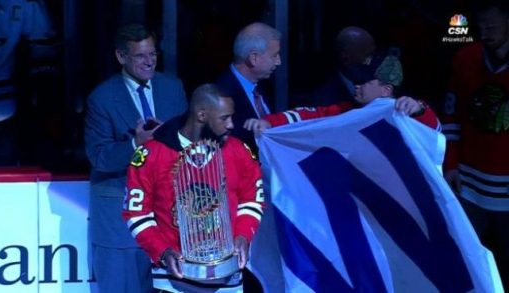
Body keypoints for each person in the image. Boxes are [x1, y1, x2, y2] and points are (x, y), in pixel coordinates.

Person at [122, 83, 264, 292]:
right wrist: (162, 251)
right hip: (172, 280)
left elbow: (252, 199)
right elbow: (136, 213)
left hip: (228, 278)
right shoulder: (151, 155)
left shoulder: (239, 151)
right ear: (201, 115)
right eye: (224, 118)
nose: (232, 124)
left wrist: (243, 235)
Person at [84, 23, 188, 293]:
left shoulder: (172, 88)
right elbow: (99, 156)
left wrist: (171, 136)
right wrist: (135, 143)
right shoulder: (102, 98)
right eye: (141, 56)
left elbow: (190, 143)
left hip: (168, 216)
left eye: (153, 54)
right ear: (121, 57)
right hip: (120, 219)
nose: (149, 61)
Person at [442, 1, 509, 289]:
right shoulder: (465, 58)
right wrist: (451, 163)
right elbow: (452, 116)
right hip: (471, 182)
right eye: (481, 26)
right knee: (469, 259)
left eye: (492, 25)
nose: (486, 32)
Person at [244, 52, 439, 133]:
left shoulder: (405, 112)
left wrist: (420, 109)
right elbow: (309, 115)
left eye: (363, 82)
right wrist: (270, 122)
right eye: (356, 80)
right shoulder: (348, 109)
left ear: (386, 90)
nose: (356, 85)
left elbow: (435, 135)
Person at [0, 0, 56, 165]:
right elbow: (43, 53)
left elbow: (43, 60)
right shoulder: (27, 4)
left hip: (3, 107)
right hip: (3, 106)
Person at [215, 22, 281, 151]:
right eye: (274, 55)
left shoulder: (264, 86)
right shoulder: (220, 95)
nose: (279, 61)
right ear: (253, 58)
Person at [307, 26, 377, 107]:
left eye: (373, 54)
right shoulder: (326, 100)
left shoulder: (376, 87)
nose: (370, 61)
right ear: (345, 58)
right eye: (366, 55)